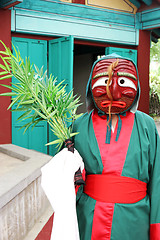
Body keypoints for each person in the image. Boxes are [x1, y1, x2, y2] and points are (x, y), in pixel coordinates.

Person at [41, 54, 160, 240]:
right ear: (91, 85)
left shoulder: (146, 125)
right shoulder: (78, 125)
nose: (113, 91)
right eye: (104, 82)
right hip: (89, 217)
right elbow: (65, 177)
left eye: (122, 81)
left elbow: (157, 181)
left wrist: (156, 227)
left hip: (135, 220)